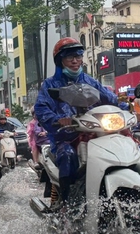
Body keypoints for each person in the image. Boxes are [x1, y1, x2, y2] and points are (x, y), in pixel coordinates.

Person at [34, 37, 118, 207]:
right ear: (60, 60)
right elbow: (41, 108)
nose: (75, 61)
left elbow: (110, 99)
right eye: (70, 57)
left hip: (94, 134)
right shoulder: (50, 84)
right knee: (67, 156)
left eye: (78, 56)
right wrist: (58, 120)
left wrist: (126, 108)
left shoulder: (90, 81)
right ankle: (68, 205)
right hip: (65, 138)